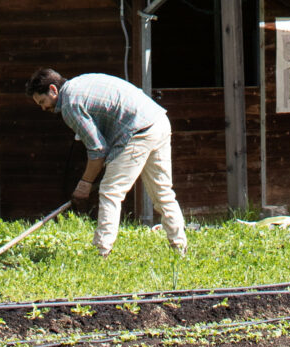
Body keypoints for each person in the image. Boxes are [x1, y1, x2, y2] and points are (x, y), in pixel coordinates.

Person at [26, 64, 187, 258]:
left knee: (111, 191)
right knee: (162, 192)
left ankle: (101, 252)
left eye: (43, 101)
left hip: (137, 131)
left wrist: (84, 184)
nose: (44, 108)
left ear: (53, 90)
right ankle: (180, 248)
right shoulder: (79, 84)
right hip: (158, 121)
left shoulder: (69, 104)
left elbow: (97, 150)